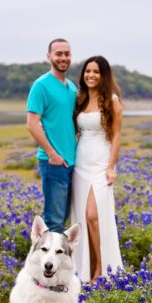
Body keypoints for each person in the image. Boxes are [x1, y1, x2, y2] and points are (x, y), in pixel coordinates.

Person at [71, 55, 125, 282]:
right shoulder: (80, 98)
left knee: (94, 216)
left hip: (101, 164)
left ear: (103, 75)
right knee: (82, 218)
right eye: (87, 71)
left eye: (96, 72)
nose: (91, 75)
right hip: (80, 163)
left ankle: (100, 270)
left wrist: (112, 166)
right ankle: (85, 268)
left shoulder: (112, 100)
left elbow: (116, 135)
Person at [27, 38, 78, 234]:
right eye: (58, 54)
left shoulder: (71, 87)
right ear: (49, 56)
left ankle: (65, 263)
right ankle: (49, 265)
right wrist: (52, 154)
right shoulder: (41, 85)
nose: (63, 58)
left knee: (68, 217)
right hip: (54, 163)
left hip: (73, 162)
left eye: (67, 54)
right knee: (55, 221)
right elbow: (31, 124)